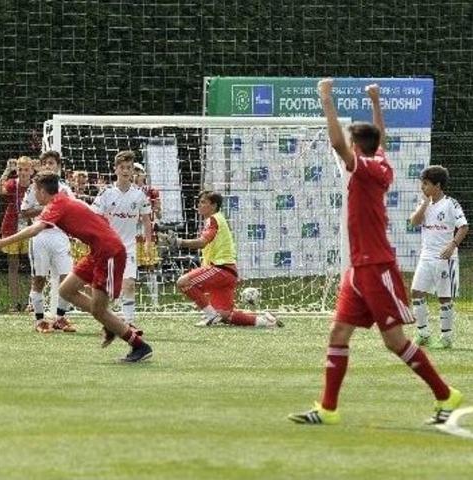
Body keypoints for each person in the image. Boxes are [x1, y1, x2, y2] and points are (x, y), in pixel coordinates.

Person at [288, 79, 462, 425]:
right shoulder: (378, 160)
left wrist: (326, 98)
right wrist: (376, 101)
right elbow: (379, 138)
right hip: (358, 268)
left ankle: (445, 394)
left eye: (352, 144)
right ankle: (328, 409)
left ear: (357, 148)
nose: (348, 149)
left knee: (394, 341)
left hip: (376, 267)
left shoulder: (366, 169)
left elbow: (337, 143)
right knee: (338, 333)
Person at [0, 172, 153, 363]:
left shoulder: (57, 204)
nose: (33, 194)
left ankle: (139, 345)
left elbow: (35, 229)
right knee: (66, 290)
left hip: (109, 252)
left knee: (99, 310)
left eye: (34, 190)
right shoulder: (63, 200)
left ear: (42, 191)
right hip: (97, 251)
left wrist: (2, 242)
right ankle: (110, 322)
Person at [162, 191, 281, 328]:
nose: (199, 205)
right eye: (199, 202)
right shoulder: (217, 219)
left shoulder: (213, 219)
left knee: (183, 282)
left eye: (203, 202)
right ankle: (265, 321)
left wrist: (178, 242)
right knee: (225, 315)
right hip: (229, 273)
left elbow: (202, 242)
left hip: (220, 269)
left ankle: (210, 315)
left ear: (213, 206)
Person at [91, 150, 153, 331]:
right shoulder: (106, 193)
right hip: (108, 247)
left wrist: (148, 243)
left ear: (133, 171)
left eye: (129, 168)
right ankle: (108, 321)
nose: (126, 171)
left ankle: (129, 322)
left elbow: (146, 220)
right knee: (107, 289)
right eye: (122, 167)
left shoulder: (140, 195)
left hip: (129, 247)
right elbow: (95, 218)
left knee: (129, 283)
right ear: (115, 169)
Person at [409, 165, 468, 349]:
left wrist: (452, 245)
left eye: (426, 184)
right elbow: (414, 222)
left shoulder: (451, 204)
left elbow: (464, 227)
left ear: (438, 185)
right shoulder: (424, 204)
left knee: (444, 297)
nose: (422, 187)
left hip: (444, 258)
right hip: (426, 257)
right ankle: (423, 334)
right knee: (416, 292)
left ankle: (446, 337)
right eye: (422, 183)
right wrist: (424, 204)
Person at [20, 150, 76, 333]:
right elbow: (24, 212)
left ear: (58, 166)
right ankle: (40, 320)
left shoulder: (64, 188)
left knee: (67, 278)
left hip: (60, 235)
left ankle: (60, 317)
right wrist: (46, 207)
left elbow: (72, 210)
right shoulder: (34, 188)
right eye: (45, 163)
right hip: (40, 236)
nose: (48, 166)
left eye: (51, 163)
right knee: (39, 279)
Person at [0, 157, 33, 313]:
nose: (23, 173)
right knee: (13, 266)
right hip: (11, 227)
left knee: (33, 266)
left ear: (31, 171)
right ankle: (14, 302)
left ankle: (32, 302)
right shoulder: (12, 184)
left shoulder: (35, 185)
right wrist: (7, 170)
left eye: (26, 169)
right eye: (20, 170)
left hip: (31, 229)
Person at [133, 162, 162, 306]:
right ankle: (125, 300)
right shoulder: (126, 190)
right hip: (131, 232)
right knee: (128, 265)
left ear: (143, 174)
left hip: (146, 232)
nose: (135, 175)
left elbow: (159, 214)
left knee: (150, 266)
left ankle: (154, 300)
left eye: (138, 172)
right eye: (134, 171)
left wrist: (156, 210)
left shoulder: (151, 191)